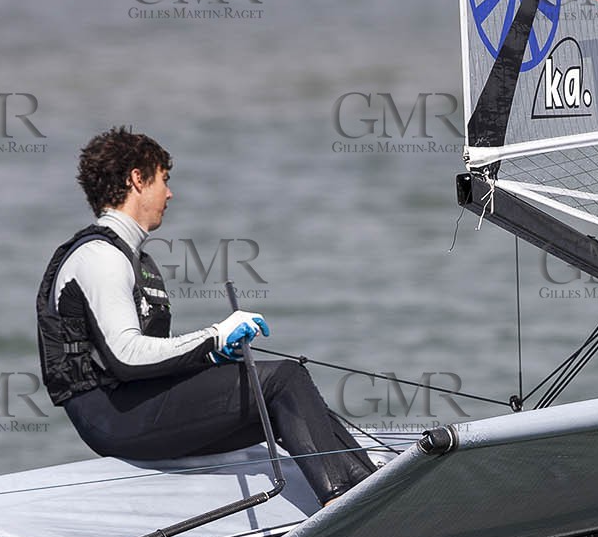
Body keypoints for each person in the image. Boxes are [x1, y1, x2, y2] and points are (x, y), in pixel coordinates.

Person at [36, 127, 376, 505]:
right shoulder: (100, 256)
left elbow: (143, 361)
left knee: (286, 396)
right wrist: (214, 336)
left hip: (132, 406)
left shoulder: (135, 260)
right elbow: (126, 356)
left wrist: (208, 357)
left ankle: (374, 490)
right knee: (283, 379)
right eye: (163, 180)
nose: (169, 193)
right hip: (111, 419)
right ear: (136, 179)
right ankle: (344, 505)